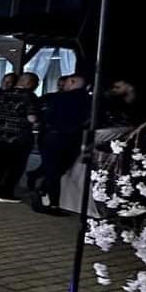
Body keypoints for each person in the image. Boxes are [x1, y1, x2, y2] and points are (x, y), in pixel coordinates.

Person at [32, 74, 90, 215]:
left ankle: (52, 202)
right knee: (60, 169)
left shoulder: (58, 98)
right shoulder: (89, 100)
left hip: (53, 136)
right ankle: (45, 192)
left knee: (52, 170)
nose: (64, 86)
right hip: (74, 138)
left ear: (72, 81)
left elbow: (47, 116)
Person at [0, 72, 41, 203]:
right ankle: (6, 193)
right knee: (15, 166)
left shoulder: (3, 94)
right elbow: (31, 118)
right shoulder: (29, 96)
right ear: (29, 83)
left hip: (2, 134)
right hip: (20, 137)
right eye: (36, 83)